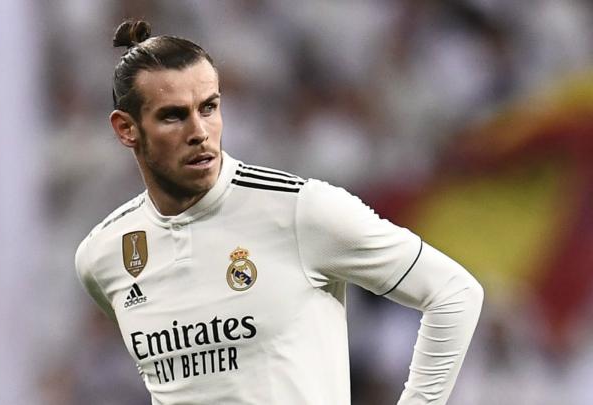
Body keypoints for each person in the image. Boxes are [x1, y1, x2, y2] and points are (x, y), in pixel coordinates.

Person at [75, 20, 484, 405]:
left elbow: (453, 293)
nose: (199, 132)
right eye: (173, 115)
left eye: (209, 108)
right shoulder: (103, 256)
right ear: (126, 129)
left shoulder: (300, 211)